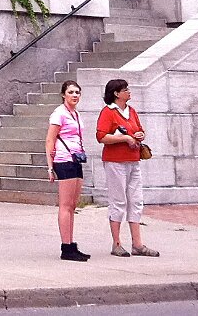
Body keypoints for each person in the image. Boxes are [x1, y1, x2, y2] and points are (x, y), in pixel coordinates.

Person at [96, 78, 157, 257]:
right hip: (115, 161)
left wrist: (140, 135)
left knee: (136, 200)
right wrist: (124, 138)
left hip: (133, 159)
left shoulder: (131, 111)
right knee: (118, 201)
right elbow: (101, 136)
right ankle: (116, 243)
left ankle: (137, 244)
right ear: (116, 93)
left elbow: (140, 129)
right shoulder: (108, 112)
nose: (129, 92)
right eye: (125, 90)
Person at [45, 79, 90, 261]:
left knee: (72, 205)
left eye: (77, 92)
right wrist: (50, 167)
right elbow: (50, 140)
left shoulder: (75, 114)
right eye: (71, 92)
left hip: (76, 158)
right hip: (63, 160)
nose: (74, 95)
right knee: (65, 204)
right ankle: (66, 247)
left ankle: (71, 244)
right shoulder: (59, 114)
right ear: (63, 94)